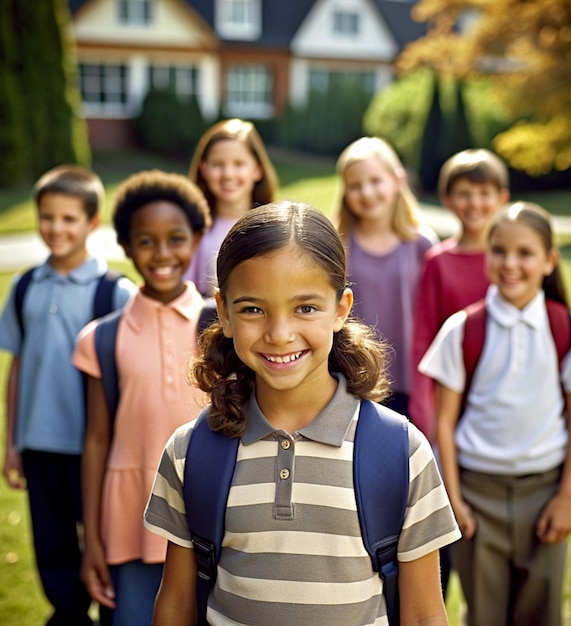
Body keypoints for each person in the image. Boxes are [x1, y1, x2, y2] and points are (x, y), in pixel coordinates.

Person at [144, 201, 461, 626]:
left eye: (305, 308)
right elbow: (175, 608)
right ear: (223, 313)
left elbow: (424, 615)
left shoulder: (401, 453)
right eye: (253, 309)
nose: (279, 334)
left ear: (342, 307)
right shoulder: (190, 454)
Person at [419, 202, 571, 625]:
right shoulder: (462, 330)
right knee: (483, 613)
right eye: (499, 251)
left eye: (525, 253)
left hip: (545, 495)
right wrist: (455, 498)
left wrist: (567, 498)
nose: (510, 264)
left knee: (542, 613)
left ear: (549, 260)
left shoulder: (568, 329)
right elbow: (443, 421)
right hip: (476, 498)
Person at [0, 164, 136, 625]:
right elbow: (17, 368)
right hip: (38, 445)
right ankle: (68, 616)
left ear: (92, 223)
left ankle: (112, 614)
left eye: (69, 218)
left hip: (95, 450)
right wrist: (12, 444)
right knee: (52, 545)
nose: (56, 228)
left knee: (104, 542)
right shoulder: (25, 286)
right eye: (47, 217)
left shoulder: (114, 292)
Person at [71, 170, 212, 626]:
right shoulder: (101, 338)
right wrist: (91, 539)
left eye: (175, 238)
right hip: (130, 520)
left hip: (208, 513)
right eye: (146, 241)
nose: (163, 253)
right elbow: (95, 441)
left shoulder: (221, 327)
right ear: (127, 247)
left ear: (196, 238)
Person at [410, 149, 510, 442]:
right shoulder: (437, 261)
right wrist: (423, 404)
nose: (474, 203)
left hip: (502, 394)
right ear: (448, 200)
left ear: (501, 198)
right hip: (450, 397)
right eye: (464, 194)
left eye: (484, 193)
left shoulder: (512, 263)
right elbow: (423, 337)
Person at [334, 136, 438, 417]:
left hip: (409, 378)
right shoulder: (340, 247)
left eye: (375, 181)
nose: (366, 192)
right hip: (353, 378)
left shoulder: (422, 244)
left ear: (398, 180)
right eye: (355, 185)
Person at [182, 118, 278, 296]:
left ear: (257, 169)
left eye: (238, 164)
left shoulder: (277, 228)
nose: (228, 174)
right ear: (204, 169)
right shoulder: (194, 230)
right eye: (218, 165)